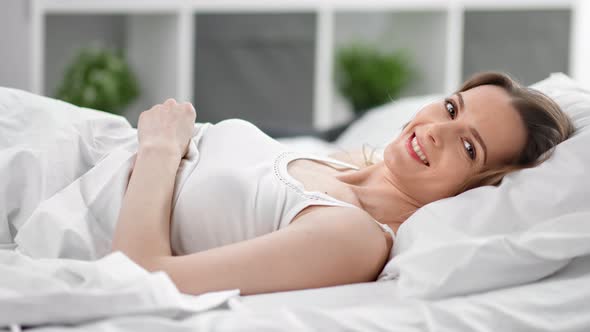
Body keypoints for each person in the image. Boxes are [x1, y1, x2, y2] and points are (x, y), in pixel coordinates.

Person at [111, 72, 574, 296]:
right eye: (453, 109)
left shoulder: (352, 237)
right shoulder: (351, 163)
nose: (437, 129)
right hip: (92, 151)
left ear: (481, 187)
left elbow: (140, 276)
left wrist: (160, 150)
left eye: (469, 147)